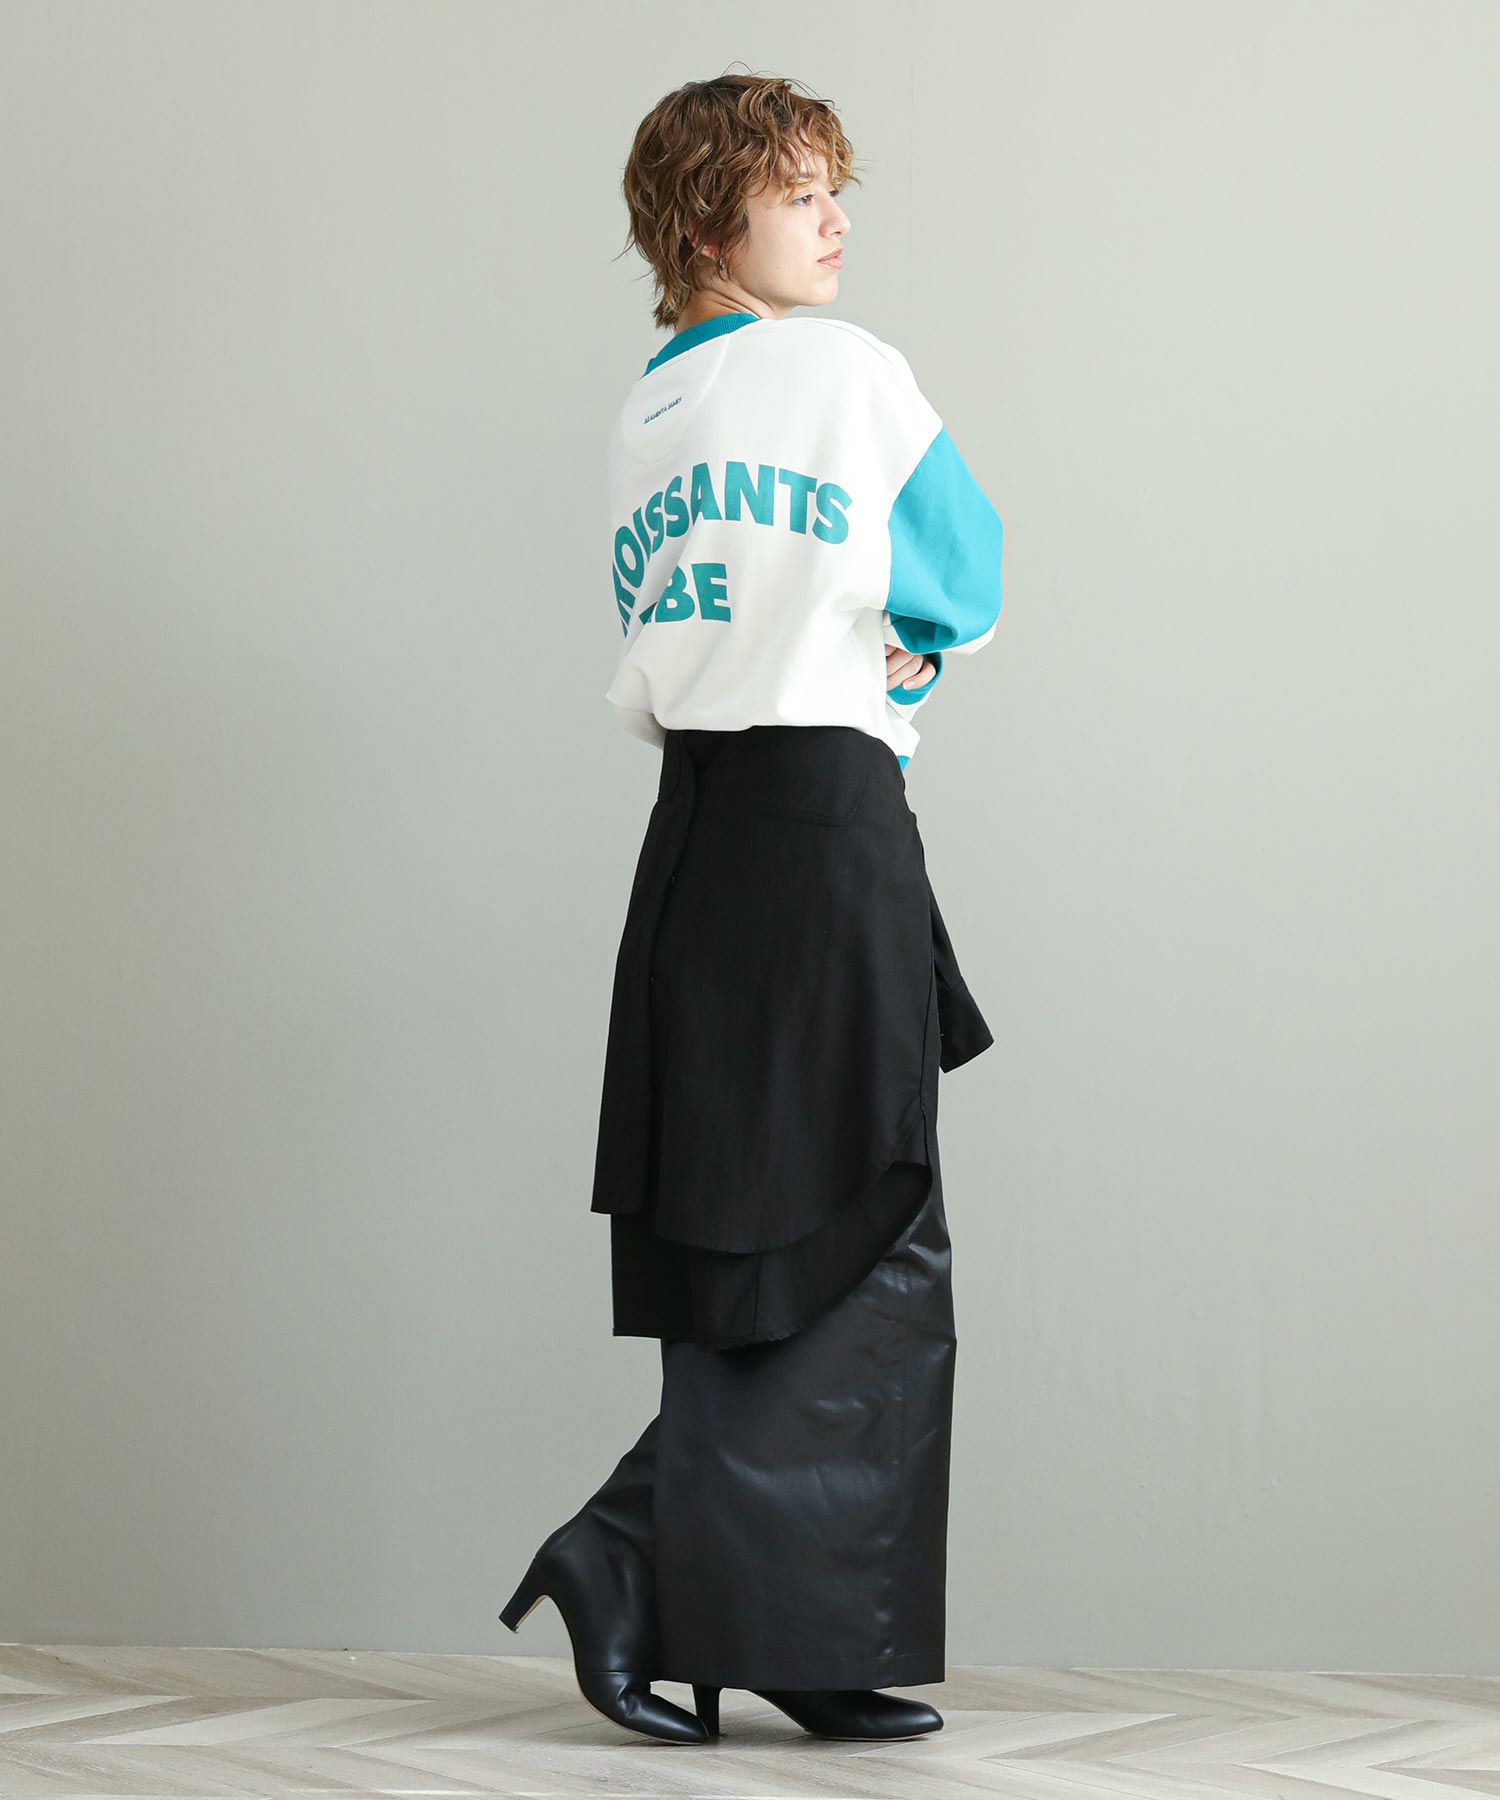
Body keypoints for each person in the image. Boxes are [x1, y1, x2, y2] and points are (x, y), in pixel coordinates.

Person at [499, 71, 1003, 1748]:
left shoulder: (648, 413)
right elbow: (964, 572)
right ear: (713, 223)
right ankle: (648, 1562)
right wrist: (914, 645)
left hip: (700, 837)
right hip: (823, 821)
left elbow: (685, 624)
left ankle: (744, 1611)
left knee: (758, 1224)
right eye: (801, 192)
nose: (837, 219)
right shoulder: (841, 370)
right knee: (863, 1221)